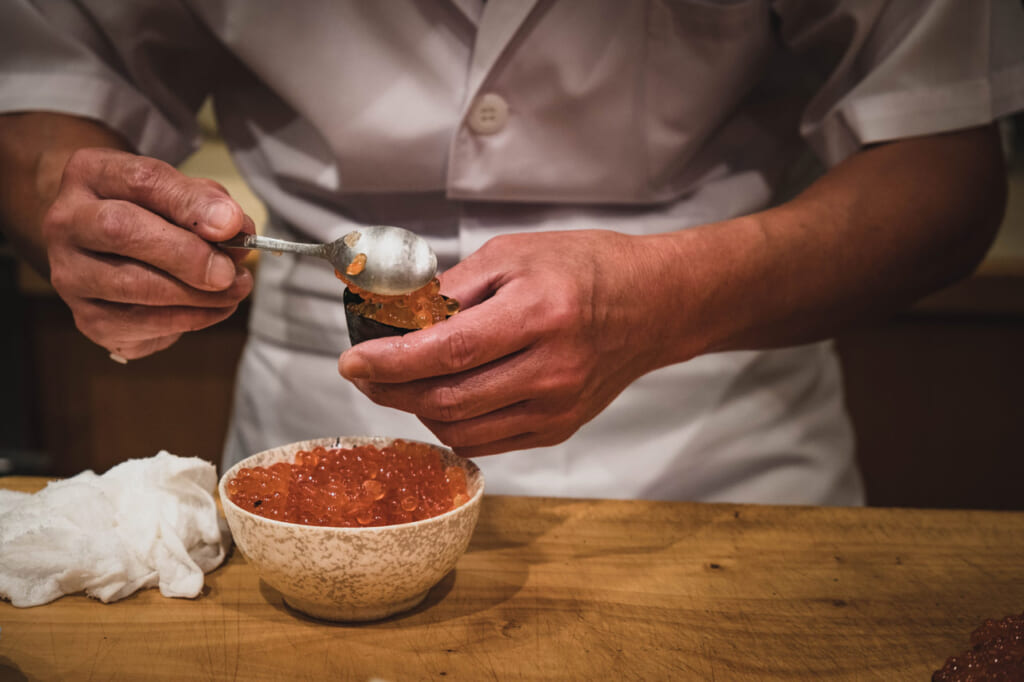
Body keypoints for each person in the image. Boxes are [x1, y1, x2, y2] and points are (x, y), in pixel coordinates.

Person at [1, 1, 1021, 504]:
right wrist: (86, 212)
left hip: (715, 426)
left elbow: (944, 166)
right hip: (321, 408)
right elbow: (46, 76)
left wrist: (670, 299)